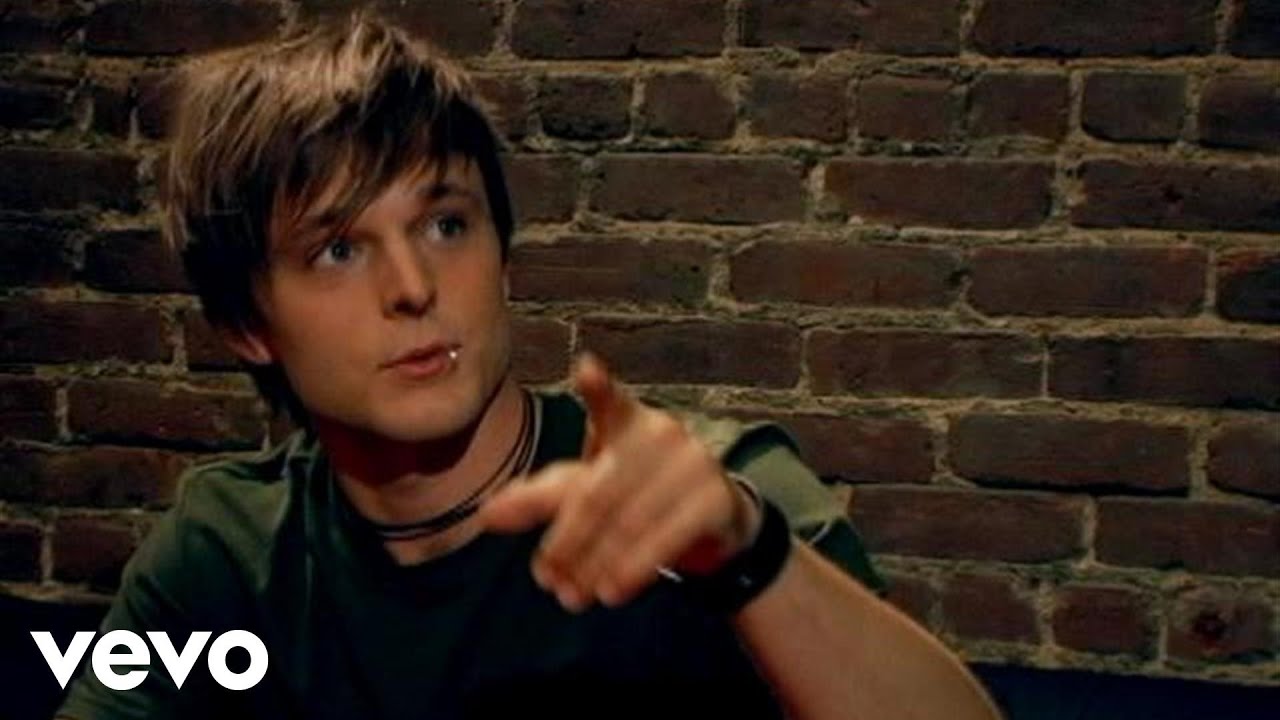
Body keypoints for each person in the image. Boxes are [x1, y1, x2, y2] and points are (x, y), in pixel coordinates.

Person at [56, 13, 1001, 720]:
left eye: (445, 224)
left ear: (502, 255)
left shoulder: (700, 493)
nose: (413, 286)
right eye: (338, 250)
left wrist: (747, 554)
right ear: (245, 325)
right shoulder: (224, 553)